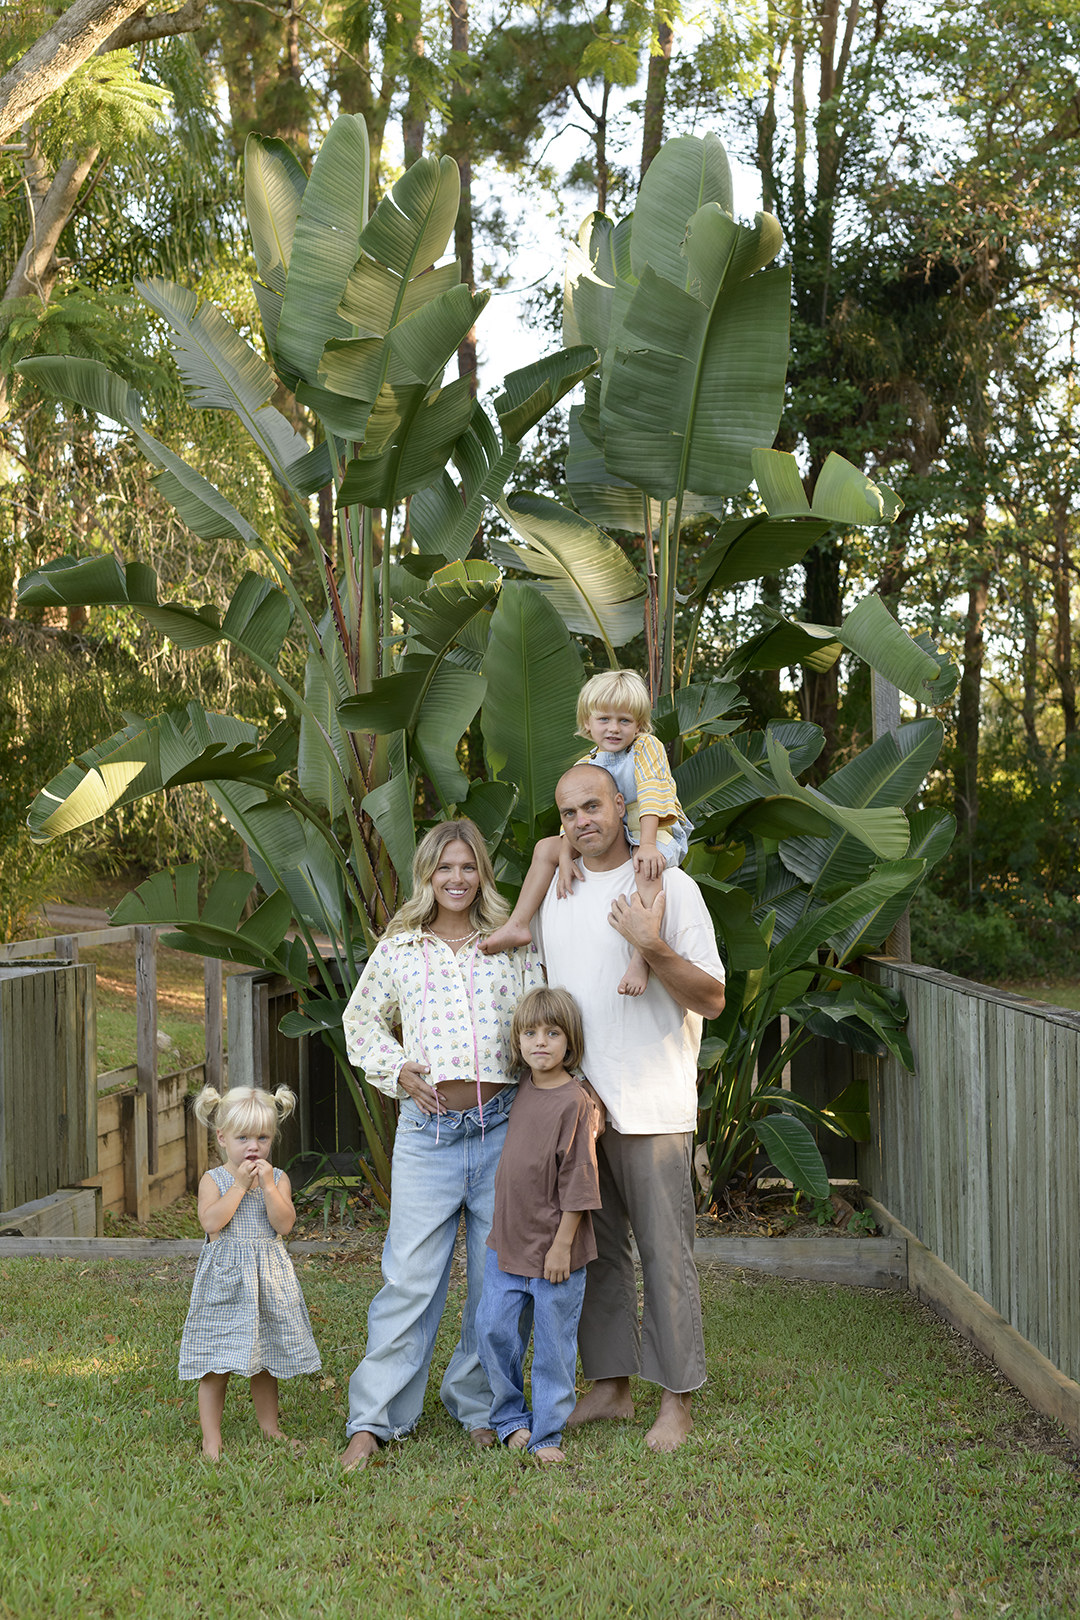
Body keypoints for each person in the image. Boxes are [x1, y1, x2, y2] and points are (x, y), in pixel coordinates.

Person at [339, 818, 544, 1472]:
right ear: (427, 874)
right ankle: (374, 1419)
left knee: (497, 1281)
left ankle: (481, 1406)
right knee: (409, 1281)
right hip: (427, 1138)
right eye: (444, 867)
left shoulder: (510, 944)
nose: (457, 879)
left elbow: (544, 1018)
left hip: (502, 1130)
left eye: (468, 866)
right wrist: (397, 1069)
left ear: (483, 873)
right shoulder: (400, 949)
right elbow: (360, 1021)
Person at [533, 763, 726, 1453]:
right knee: (598, 1252)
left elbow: (711, 998)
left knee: (666, 1256)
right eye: (569, 812)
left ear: (622, 804)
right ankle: (611, 1386)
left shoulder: (671, 886)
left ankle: (677, 1399)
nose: (582, 820)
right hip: (582, 1108)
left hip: (652, 1105)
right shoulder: (558, 891)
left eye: (593, 805)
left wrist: (650, 944)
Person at [483, 669, 692, 996]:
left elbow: (652, 794)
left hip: (655, 826)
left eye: (624, 720)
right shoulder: (587, 762)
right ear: (587, 723)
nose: (614, 728)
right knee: (544, 849)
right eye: (604, 719)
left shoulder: (646, 747)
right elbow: (573, 817)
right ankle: (518, 923)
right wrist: (566, 856)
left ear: (639, 725)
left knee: (646, 869)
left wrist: (649, 844)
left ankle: (642, 956)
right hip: (614, 830)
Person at [475, 986, 602, 1465]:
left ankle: (547, 1432)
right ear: (518, 1041)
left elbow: (579, 1182)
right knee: (493, 1330)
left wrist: (562, 1246)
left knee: (553, 1346)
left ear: (571, 1041)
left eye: (553, 1033)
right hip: (508, 1242)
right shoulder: (523, 1086)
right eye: (530, 1033)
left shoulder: (575, 1103)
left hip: (555, 1252)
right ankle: (510, 1418)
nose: (540, 1043)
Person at [178, 1083, 321, 1460]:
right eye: (243, 1138)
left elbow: (284, 1224)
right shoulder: (214, 1180)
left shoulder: (279, 1179)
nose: (253, 1146)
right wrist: (240, 1185)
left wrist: (268, 1187)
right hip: (226, 1284)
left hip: (266, 1282)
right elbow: (211, 1222)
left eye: (262, 1138)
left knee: (265, 1360)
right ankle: (211, 1438)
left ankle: (270, 1427)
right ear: (222, 1138)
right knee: (216, 1362)